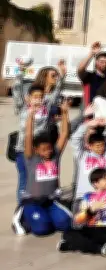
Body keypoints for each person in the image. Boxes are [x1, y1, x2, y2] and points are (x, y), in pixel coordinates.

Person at [12, 100, 71, 236]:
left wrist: (65, 113)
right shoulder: (31, 158)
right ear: (36, 150)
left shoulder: (55, 155)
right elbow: (28, 136)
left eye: (49, 148)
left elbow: (64, 134)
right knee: (42, 229)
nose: (47, 152)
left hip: (51, 200)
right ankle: (21, 215)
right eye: (43, 150)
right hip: (33, 200)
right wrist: (31, 116)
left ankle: (47, 215)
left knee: (65, 224)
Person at [12, 59, 66, 203]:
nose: (38, 100)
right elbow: (17, 88)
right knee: (24, 181)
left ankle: (38, 206)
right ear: (28, 98)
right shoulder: (23, 106)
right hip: (23, 149)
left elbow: (55, 93)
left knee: (36, 180)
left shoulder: (46, 105)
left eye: (40, 97)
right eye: (35, 97)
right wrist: (20, 70)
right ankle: (22, 210)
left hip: (40, 151)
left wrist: (62, 75)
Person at [58, 168, 106, 257]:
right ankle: (99, 248)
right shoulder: (88, 197)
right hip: (92, 229)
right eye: (105, 179)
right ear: (95, 183)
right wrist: (90, 211)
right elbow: (78, 219)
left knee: (82, 238)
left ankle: (69, 246)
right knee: (67, 233)